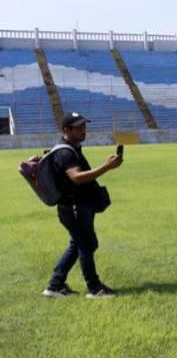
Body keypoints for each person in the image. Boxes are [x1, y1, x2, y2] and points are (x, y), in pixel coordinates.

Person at [42, 113, 123, 298]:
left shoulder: (73, 148)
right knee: (86, 245)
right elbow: (76, 177)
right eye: (79, 127)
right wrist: (106, 167)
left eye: (84, 126)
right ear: (66, 130)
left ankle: (55, 285)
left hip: (78, 206)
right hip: (74, 207)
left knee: (80, 244)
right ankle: (94, 288)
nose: (83, 130)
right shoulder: (65, 152)